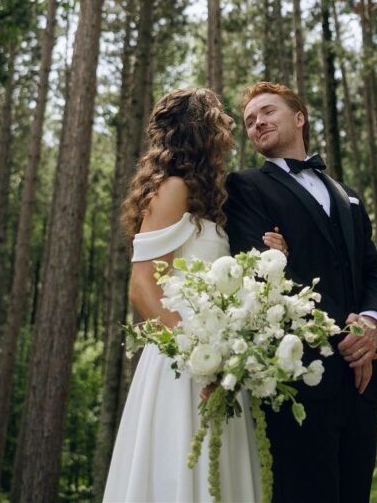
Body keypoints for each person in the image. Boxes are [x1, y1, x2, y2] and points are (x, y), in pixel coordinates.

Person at [103, 87, 287, 503]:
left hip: (216, 358)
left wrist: (268, 263)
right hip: (183, 365)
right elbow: (143, 286)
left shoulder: (202, 196)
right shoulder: (172, 188)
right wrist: (200, 356)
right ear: (200, 128)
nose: (227, 125)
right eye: (220, 116)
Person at [225, 81, 377, 503]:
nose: (256, 122)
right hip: (297, 381)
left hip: (360, 381)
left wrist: (371, 326)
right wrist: (344, 335)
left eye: (267, 112)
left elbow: (372, 271)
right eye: (249, 121)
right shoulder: (245, 188)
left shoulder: (348, 195)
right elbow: (265, 275)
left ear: (299, 118)